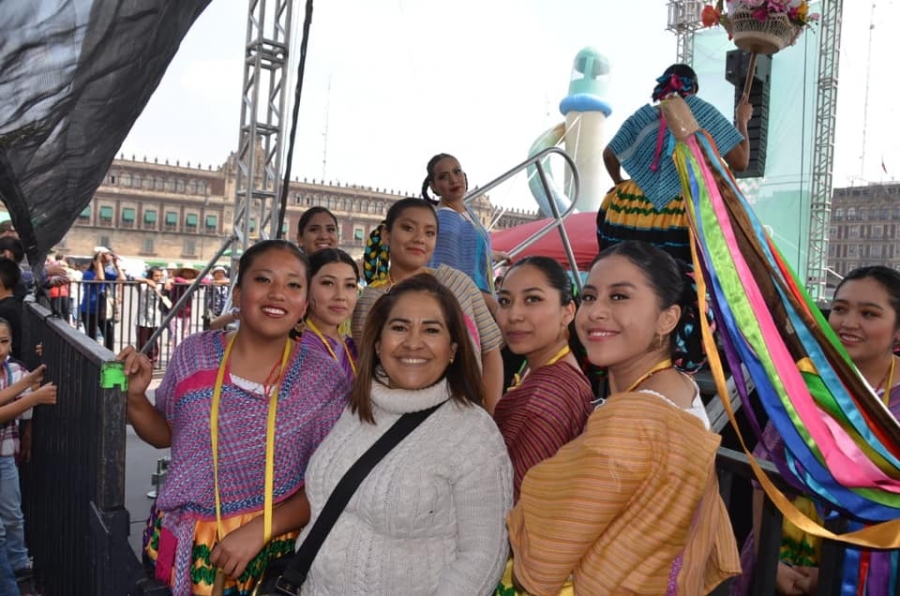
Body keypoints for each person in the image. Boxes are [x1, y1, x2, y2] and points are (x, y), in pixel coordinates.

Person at [118, 239, 351, 595]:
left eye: (293, 285)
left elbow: (332, 483)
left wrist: (260, 530)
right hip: (175, 545)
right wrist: (135, 399)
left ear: (304, 304)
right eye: (264, 279)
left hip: (269, 559)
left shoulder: (322, 379)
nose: (278, 294)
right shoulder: (195, 353)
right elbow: (165, 435)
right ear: (238, 294)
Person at [508, 241, 739, 594]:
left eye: (619, 297)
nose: (595, 312)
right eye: (589, 297)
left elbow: (543, 559)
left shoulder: (631, 420)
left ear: (667, 318)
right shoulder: (679, 388)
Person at [297, 273, 512, 594]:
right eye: (399, 327)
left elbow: (483, 556)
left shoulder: (473, 434)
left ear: (453, 348)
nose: (413, 342)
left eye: (431, 330)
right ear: (378, 343)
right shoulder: (358, 407)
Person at [733, 265, 900, 596]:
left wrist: (837, 571)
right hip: (781, 555)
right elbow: (765, 478)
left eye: (868, 313)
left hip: (875, 570)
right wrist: (771, 561)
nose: (848, 323)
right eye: (840, 309)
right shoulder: (805, 384)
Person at [354, 197, 504, 413]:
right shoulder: (371, 300)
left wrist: (489, 413)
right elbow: (368, 368)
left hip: (465, 411)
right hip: (396, 415)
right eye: (408, 228)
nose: (419, 239)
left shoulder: (457, 283)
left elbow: (490, 351)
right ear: (387, 235)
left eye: (429, 233)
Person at [598, 63, 752, 264]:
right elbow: (740, 162)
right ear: (693, 89)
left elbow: (609, 155)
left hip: (628, 213)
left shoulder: (644, 115)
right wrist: (742, 120)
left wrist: (619, 182)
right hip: (681, 216)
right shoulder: (701, 111)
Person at [493, 256, 593, 502]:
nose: (514, 315)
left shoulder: (544, 398)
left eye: (533, 299)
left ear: (568, 312)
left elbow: (514, 501)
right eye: (505, 301)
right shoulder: (546, 369)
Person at [0, 318, 57, 593]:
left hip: (4, 457)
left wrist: (30, 380)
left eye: (3, 341)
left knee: (12, 517)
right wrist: (34, 396)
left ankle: (19, 570)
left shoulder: (14, 370)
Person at [421, 153, 506, 314]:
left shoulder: (466, 211)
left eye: (457, 171)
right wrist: (496, 309)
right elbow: (459, 280)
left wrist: (493, 254)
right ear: (433, 186)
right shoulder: (445, 222)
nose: (453, 180)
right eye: (444, 177)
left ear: (464, 175)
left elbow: (468, 251)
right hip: (469, 310)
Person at [296, 248, 359, 382]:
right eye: (328, 283)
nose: (340, 296)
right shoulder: (296, 349)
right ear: (305, 287)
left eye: (349, 285)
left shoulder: (355, 347)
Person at [80, 247, 122, 349]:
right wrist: (98, 261)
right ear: (94, 262)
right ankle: (91, 356)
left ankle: (108, 355)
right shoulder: (87, 274)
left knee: (109, 335)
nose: (103, 264)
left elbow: (122, 279)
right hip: (89, 310)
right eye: (100, 262)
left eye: (104, 263)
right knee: (91, 337)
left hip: (102, 310)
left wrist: (116, 265)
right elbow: (100, 278)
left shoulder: (105, 273)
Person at [135, 267, 167, 367]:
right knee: (142, 340)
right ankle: (141, 360)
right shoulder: (143, 285)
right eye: (156, 276)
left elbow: (171, 281)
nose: (159, 278)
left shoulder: (161, 285)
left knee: (153, 340)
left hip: (154, 317)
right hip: (142, 317)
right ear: (150, 276)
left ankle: (153, 360)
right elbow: (135, 278)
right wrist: (147, 281)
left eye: (160, 276)